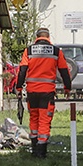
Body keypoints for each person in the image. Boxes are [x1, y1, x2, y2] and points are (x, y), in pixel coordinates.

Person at [15, 27, 72, 158]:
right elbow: (64, 71)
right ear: (48, 37)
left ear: (37, 37)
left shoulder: (28, 50)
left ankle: (34, 148)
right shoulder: (56, 51)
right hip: (47, 91)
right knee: (44, 120)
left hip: (32, 91)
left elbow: (22, 71)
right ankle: (41, 151)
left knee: (34, 118)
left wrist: (18, 88)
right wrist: (67, 88)